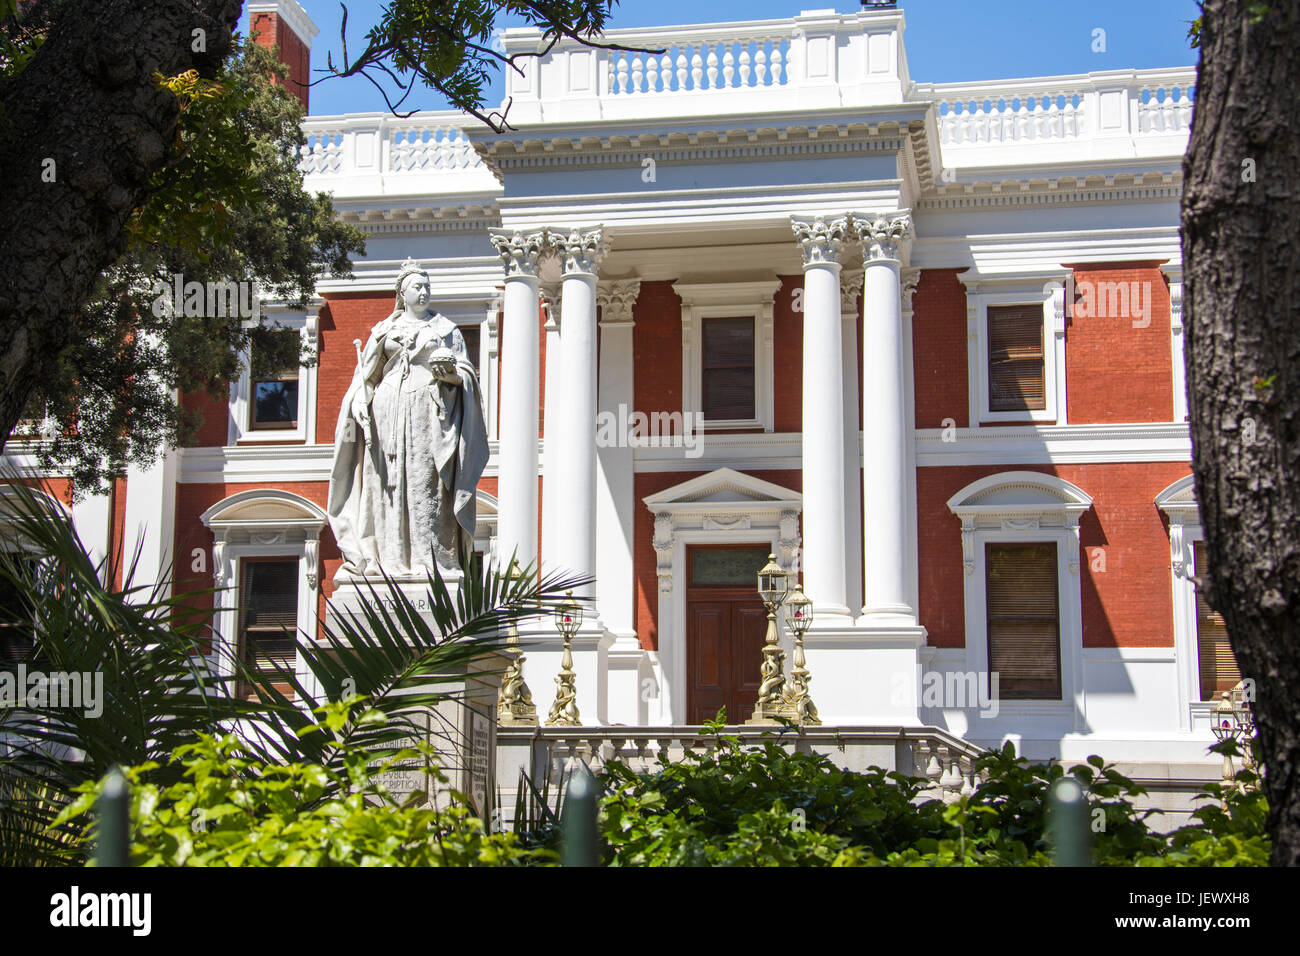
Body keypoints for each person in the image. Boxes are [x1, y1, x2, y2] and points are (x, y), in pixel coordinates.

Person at [327, 258, 489, 579]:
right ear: (402, 293)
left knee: (427, 484)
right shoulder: (383, 331)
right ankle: (388, 559)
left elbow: (466, 372)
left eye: (427, 286)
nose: (424, 291)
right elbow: (366, 377)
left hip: (430, 413)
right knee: (386, 485)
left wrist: (452, 376)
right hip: (386, 414)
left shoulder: (446, 330)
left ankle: (432, 561)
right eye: (417, 286)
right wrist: (360, 401)